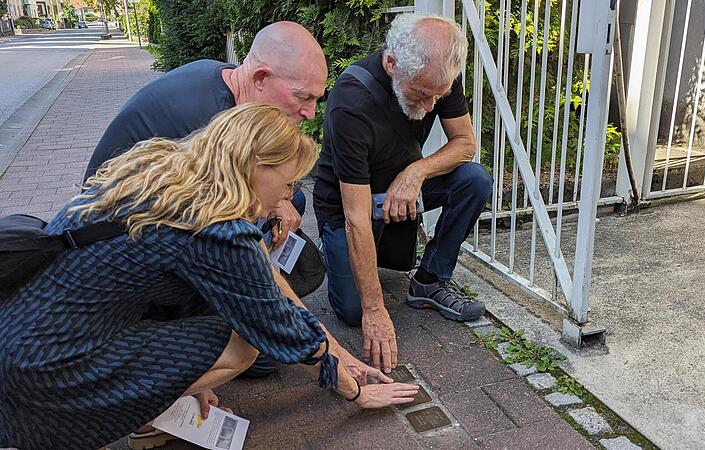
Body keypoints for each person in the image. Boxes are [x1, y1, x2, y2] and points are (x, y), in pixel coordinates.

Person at [0, 104, 419, 450]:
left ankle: (154, 406)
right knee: (243, 344)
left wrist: (179, 374)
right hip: (47, 364)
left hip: (17, 330)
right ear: (256, 164)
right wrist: (354, 390)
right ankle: (145, 415)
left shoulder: (161, 166)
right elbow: (277, 325)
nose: (289, 195)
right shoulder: (217, 229)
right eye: (288, 182)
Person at [82, 21, 365, 378]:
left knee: (290, 205)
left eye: (315, 99)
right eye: (302, 97)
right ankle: (171, 336)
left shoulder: (224, 80)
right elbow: (243, 245)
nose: (310, 112)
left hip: (149, 225)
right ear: (261, 77)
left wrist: (279, 200)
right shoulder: (205, 123)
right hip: (119, 261)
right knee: (263, 354)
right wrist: (331, 353)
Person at [313, 13, 493, 374]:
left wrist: (416, 171)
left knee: (475, 179)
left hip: (401, 190)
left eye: (437, 96)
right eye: (422, 94)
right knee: (353, 311)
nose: (430, 107)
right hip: (347, 205)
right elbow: (355, 216)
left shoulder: (439, 75)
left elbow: (465, 144)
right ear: (392, 62)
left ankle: (429, 282)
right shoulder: (351, 102)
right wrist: (375, 310)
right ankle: (336, 252)